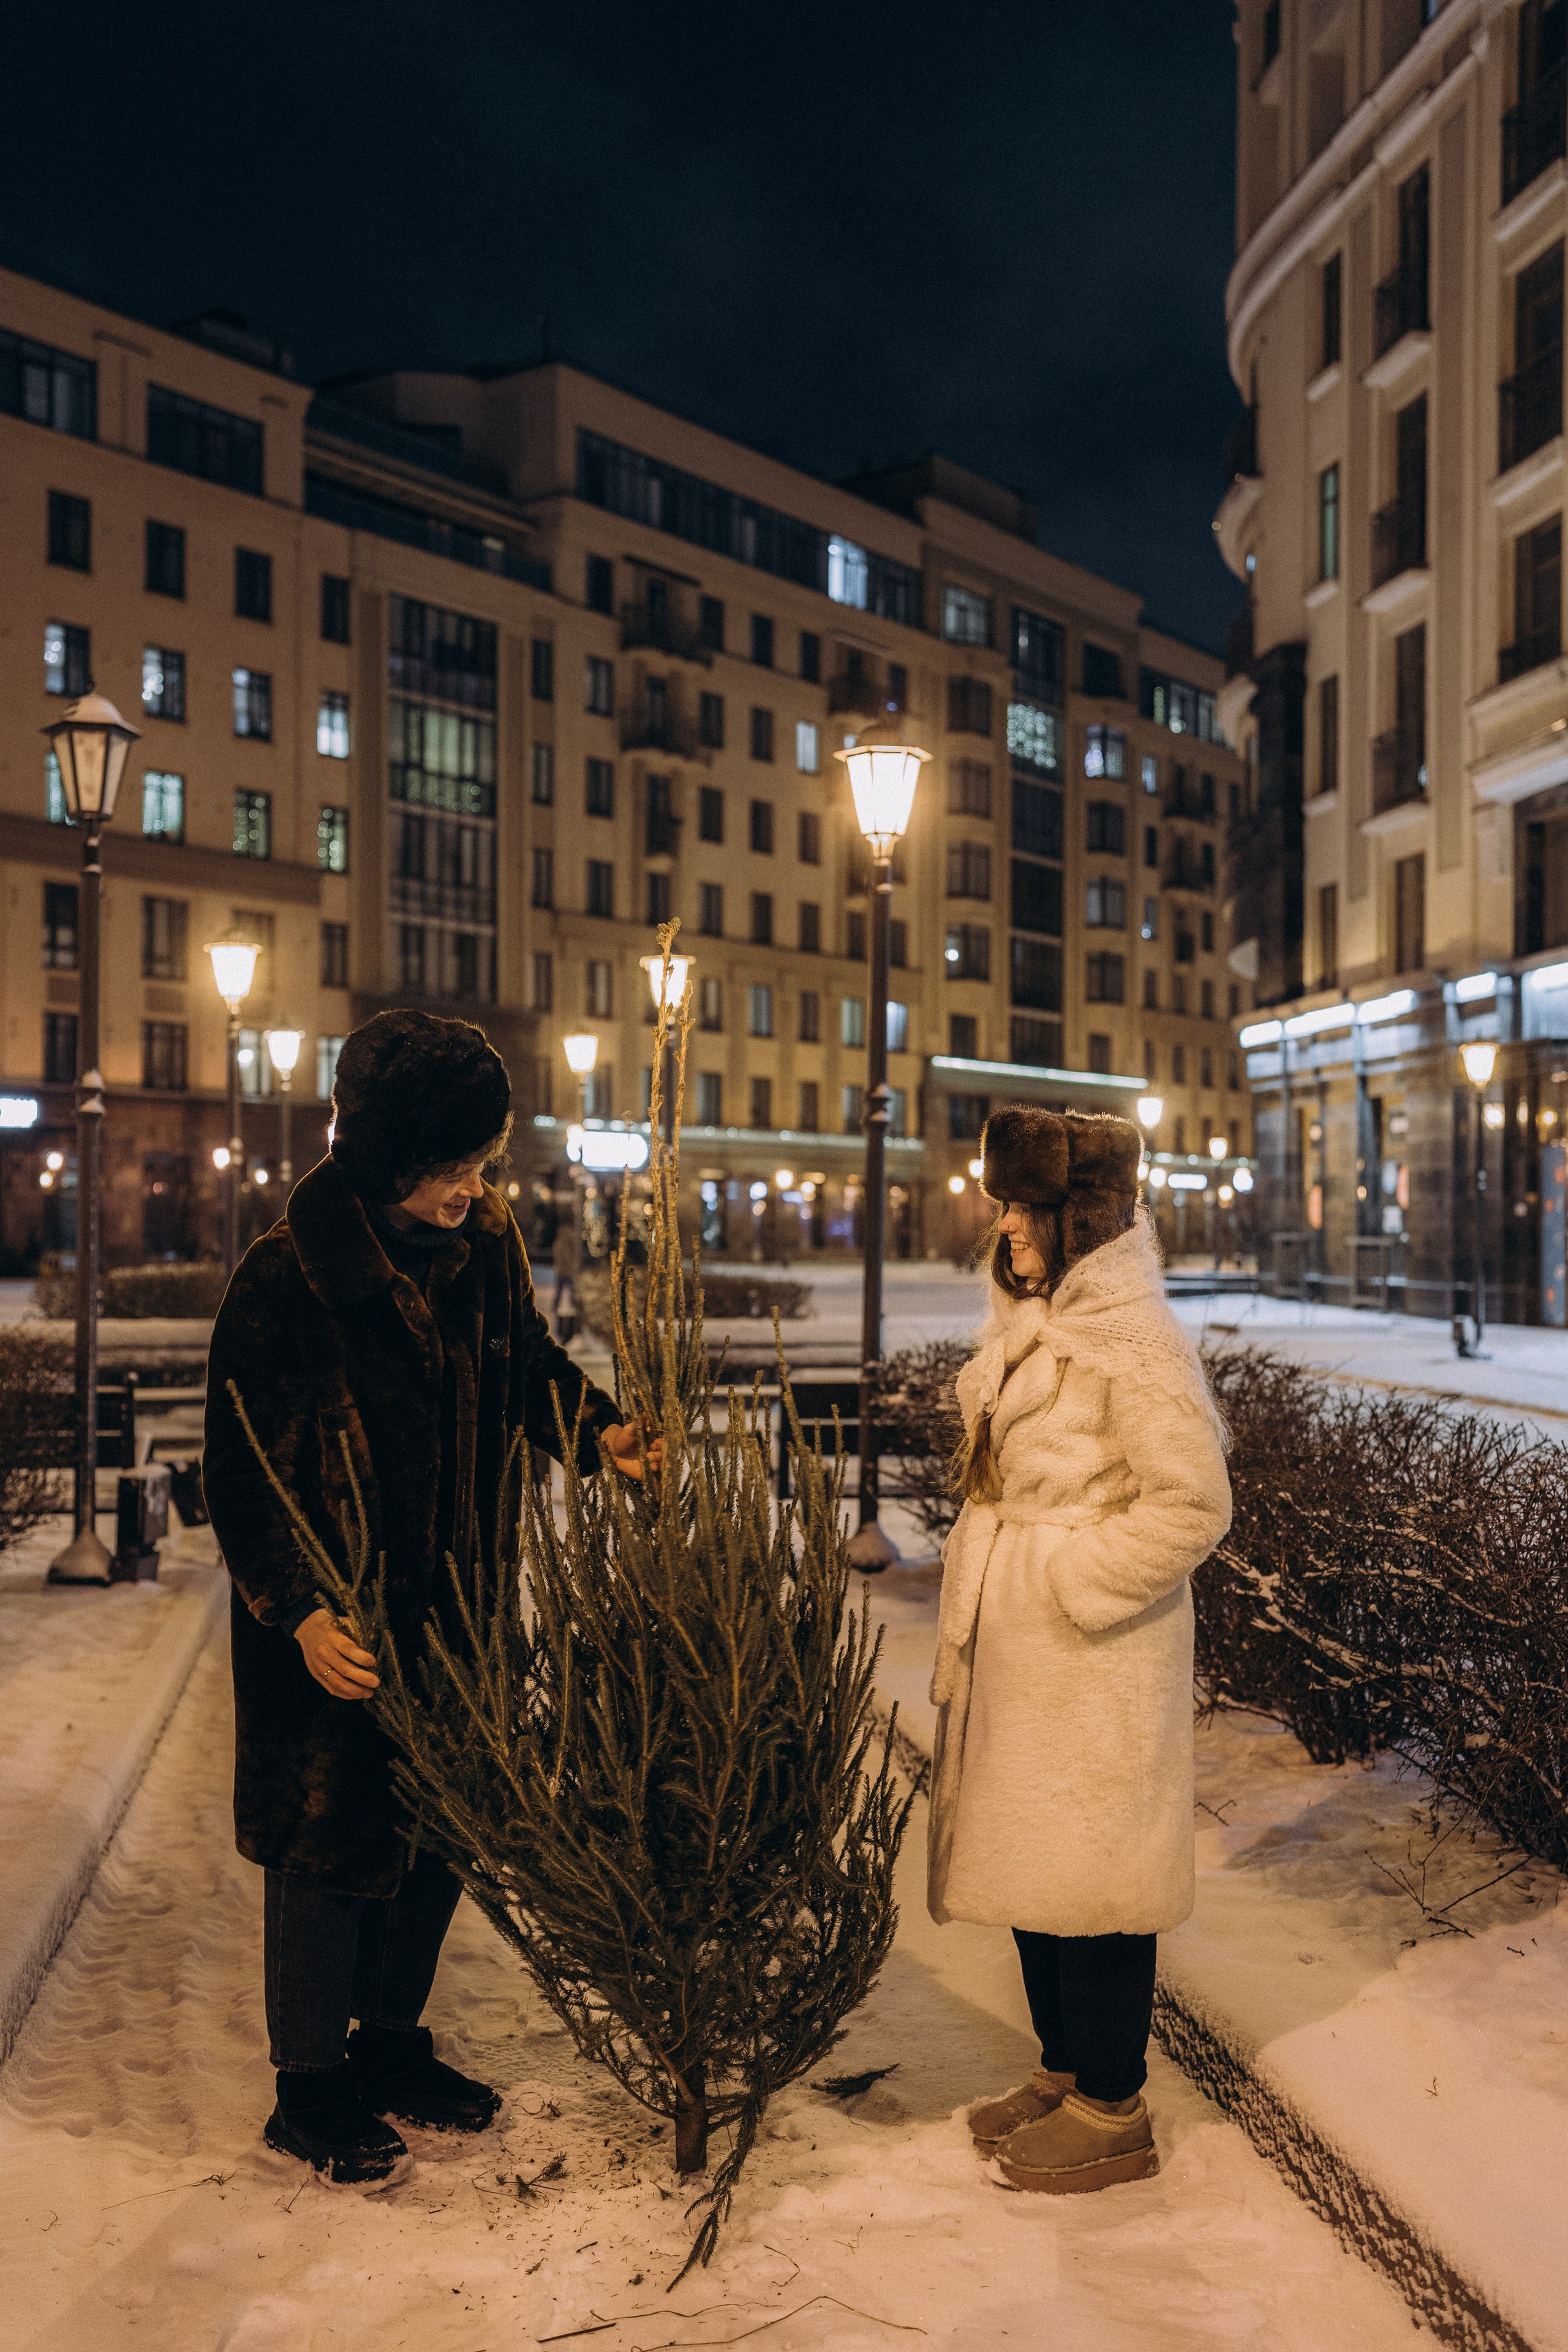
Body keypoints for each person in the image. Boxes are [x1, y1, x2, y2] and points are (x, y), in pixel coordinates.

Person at [203, 1010, 655, 2185]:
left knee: (442, 1832)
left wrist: (597, 1432)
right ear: (389, 1157)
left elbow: (524, 1367)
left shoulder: (487, 1246)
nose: (474, 1186)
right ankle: (309, 2088)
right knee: (326, 1845)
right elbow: (240, 1474)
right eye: (452, 1167)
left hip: (459, 1608)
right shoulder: (285, 1280)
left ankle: (393, 2047)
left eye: (483, 1163)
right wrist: (298, 1612)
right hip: (334, 1633)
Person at [928, 1106, 1231, 2194]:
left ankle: (1114, 2108)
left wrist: (1067, 1584)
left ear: (1080, 1219)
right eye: (1004, 1202)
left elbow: (1194, 1503)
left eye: (1023, 1206)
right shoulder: (1037, 1322)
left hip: (1094, 1658)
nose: (1001, 1223)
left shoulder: (1133, 1340)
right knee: (1035, 1869)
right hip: (1028, 1651)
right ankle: (1062, 2071)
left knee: (1097, 1884)